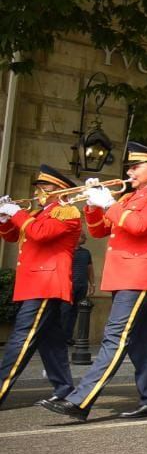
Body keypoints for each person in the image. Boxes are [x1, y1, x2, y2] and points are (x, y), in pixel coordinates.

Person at [42, 142, 147, 422]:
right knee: (140, 341)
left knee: (114, 338)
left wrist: (109, 203)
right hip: (124, 275)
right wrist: (93, 206)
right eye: (129, 166)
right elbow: (99, 230)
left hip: (141, 275)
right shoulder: (128, 198)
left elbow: (138, 227)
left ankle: (81, 399)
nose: (129, 171)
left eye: (135, 166)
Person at [0, 166, 80, 407]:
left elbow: (40, 234)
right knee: (50, 340)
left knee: (21, 339)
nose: (40, 191)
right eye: (39, 186)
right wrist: (5, 219)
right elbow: (13, 237)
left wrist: (16, 213)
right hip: (36, 282)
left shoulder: (67, 212)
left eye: (47, 187)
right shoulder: (38, 213)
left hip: (46, 283)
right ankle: (64, 389)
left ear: (61, 190)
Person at [62, 234, 94, 350]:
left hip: (82, 285)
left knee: (75, 312)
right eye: (83, 237)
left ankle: (68, 337)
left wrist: (92, 283)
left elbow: (90, 268)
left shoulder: (86, 252)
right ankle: (61, 337)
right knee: (65, 311)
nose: (85, 239)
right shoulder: (66, 250)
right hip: (68, 285)